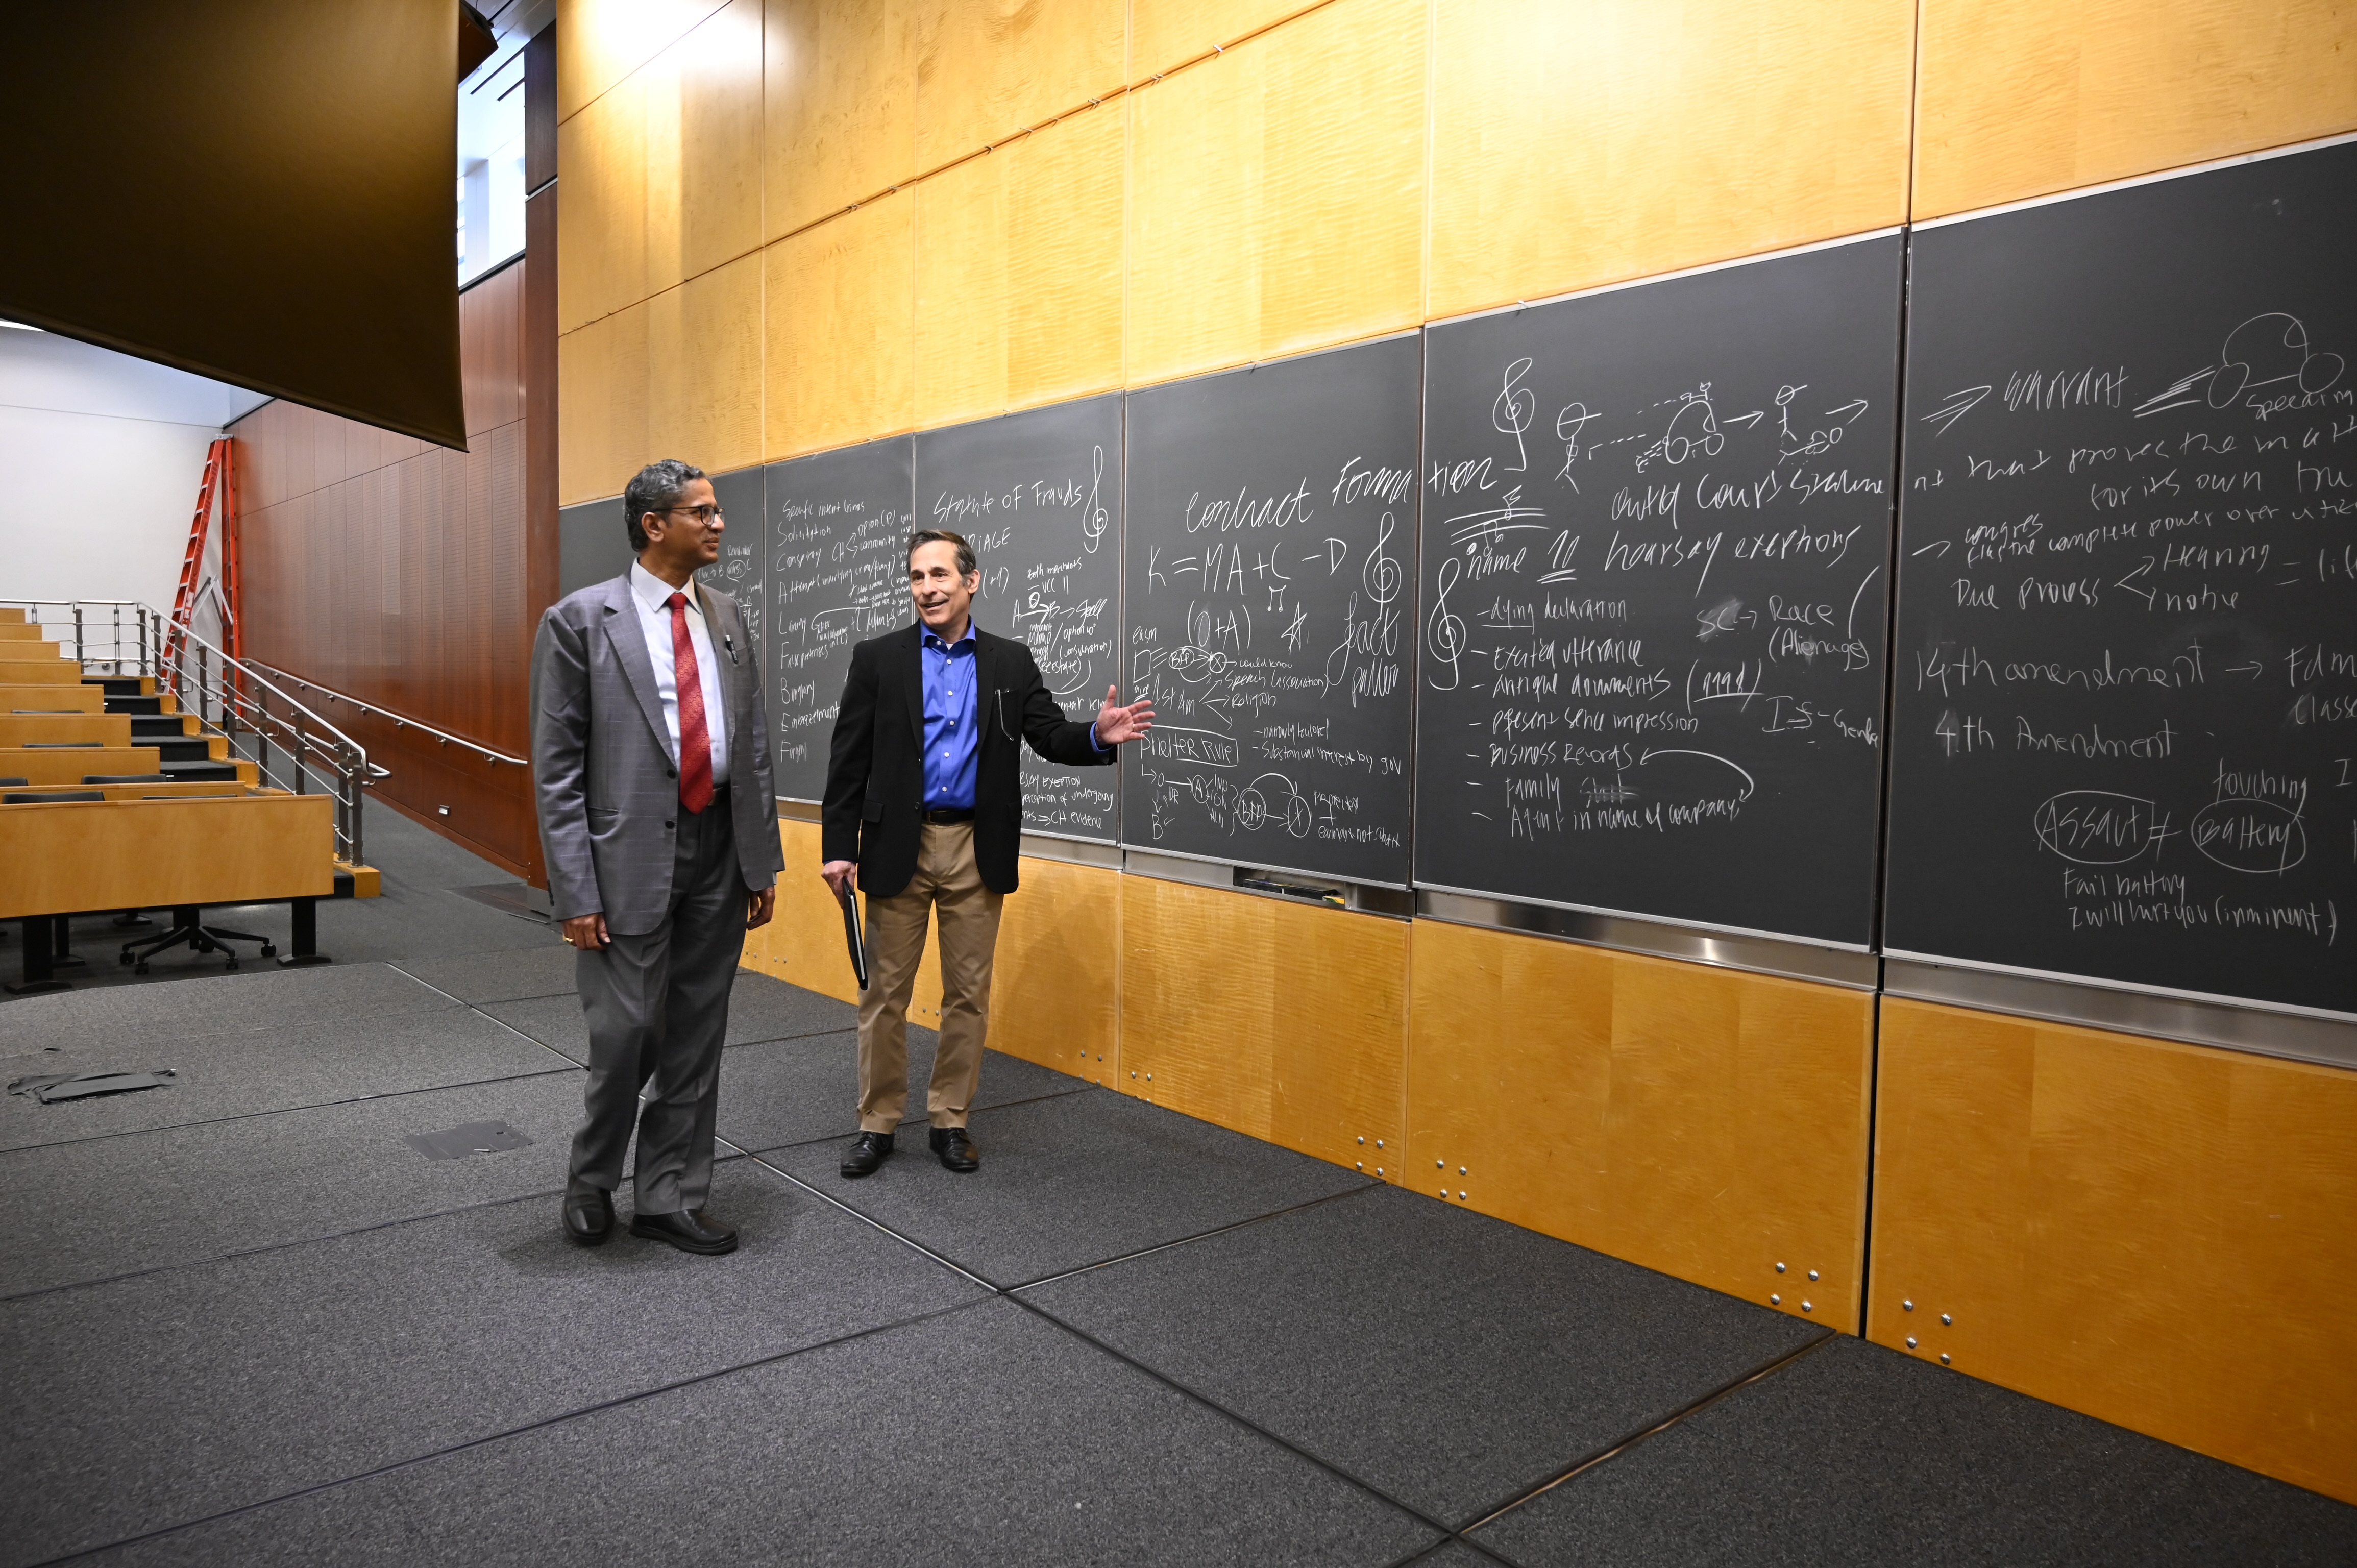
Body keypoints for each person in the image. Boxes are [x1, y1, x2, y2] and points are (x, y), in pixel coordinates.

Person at [821, 530, 1153, 1178]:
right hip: (897, 846)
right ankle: (877, 1123)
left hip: (977, 845)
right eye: (917, 577)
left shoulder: (1009, 661)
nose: (928, 589)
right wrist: (839, 849)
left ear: (971, 582)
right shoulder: (878, 658)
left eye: (940, 575)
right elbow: (847, 761)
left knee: (966, 995)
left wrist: (1095, 734)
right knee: (884, 995)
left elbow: (1050, 735)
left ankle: (950, 1120)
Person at [531, 459, 783, 1254]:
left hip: (718, 851)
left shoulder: (730, 618)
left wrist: (760, 863)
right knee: (626, 1033)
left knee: (696, 1035)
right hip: (623, 861)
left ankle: (670, 1192)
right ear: (654, 525)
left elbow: (755, 750)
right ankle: (592, 1178)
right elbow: (556, 768)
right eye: (701, 512)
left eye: (715, 511)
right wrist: (573, 891)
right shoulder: (578, 621)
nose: (717, 524)